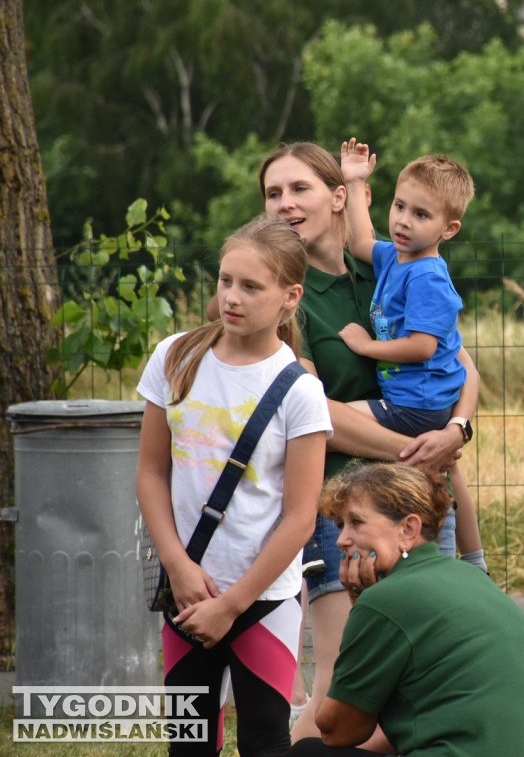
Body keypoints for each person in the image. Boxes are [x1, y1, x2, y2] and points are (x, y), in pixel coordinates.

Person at [257, 142, 481, 742]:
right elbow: (313, 408)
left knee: (422, 674)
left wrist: (457, 430)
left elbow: (461, 366)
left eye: (298, 189)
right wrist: (411, 448)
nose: (284, 204)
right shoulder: (283, 293)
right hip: (341, 502)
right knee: (340, 678)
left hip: (418, 500)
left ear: (339, 197)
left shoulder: (395, 264)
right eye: (272, 194)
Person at [136, 215, 332, 757]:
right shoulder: (175, 358)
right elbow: (152, 472)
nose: (232, 297)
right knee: (189, 740)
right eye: (226, 280)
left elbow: (300, 517)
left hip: (264, 598)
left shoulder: (300, 391)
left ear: (291, 296)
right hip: (188, 592)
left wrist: (234, 604)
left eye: (251, 286)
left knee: (266, 740)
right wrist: (178, 567)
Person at [286, 462, 524, 757]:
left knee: (307, 752)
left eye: (356, 522)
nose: (341, 540)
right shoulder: (470, 576)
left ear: (408, 529)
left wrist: (361, 602)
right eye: (339, 525)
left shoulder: (385, 600)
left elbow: (337, 731)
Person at [338, 138, 486, 571]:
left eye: (421, 215)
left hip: (417, 404)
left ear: (449, 229)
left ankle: (452, 558)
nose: (403, 221)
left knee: (331, 419)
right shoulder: (397, 258)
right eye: (399, 206)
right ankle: (470, 561)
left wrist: (367, 346)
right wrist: (353, 179)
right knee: (432, 478)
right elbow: (361, 239)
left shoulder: (427, 276)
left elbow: (423, 346)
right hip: (417, 401)